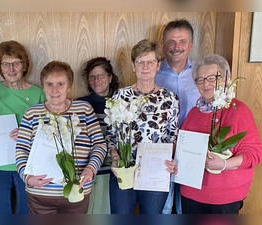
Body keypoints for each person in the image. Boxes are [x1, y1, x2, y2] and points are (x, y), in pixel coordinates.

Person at [15, 61, 107, 214]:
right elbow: (21, 150)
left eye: (60, 84)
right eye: (49, 84)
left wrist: (91, 169)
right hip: (40, 194)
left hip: (77, 192)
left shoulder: (84, 109)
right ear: (43, 87)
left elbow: (99, 145)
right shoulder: (32, 114)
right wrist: (27, 177)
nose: (55, 90)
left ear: (69, 86)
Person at [180, 54, 262, 214]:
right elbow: (185, 150)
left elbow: (254, 154)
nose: (205, 84)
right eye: (200, 79)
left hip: (225, 198)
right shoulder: (194, 112)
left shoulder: (239, 111)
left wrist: (224, 164)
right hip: (191, 193)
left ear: (225, 79)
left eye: (212, 78)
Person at [107, 39, 179, 214]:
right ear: (133, 65)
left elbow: (172, 137)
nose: (145, 67)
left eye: (150, 62)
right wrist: (115, 156)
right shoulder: (119, 96)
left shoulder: (170, 98)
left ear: (158, 65)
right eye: (140, 62)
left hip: (155, 171)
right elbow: (110, 135)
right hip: (123, 168)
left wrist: (171, 159)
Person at [0, 40, 46, 214]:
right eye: (6, 64)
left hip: (28, 165)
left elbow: (47, 132)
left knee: (27, 213)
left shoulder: (37, 93)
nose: (11, 69)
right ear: (0, 67)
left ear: (24, 65)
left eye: (16, 63)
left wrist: (26, 134)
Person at [154, 18, 200, 214]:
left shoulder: (202, 73)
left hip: (194, 147)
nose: (176, 47)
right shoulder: (152, 73)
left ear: (190, 45)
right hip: (162, 146)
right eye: (171, 42)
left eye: (182, 41)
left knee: (187, 206)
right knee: (162, 206)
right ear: (164, 46)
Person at [77, 57, 119, 214]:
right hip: (86, 171)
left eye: (100, 75)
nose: (96, 80)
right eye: (92, 77)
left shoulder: (120, 101)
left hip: (112, 171)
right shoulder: (80, 104)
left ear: (109, 77)